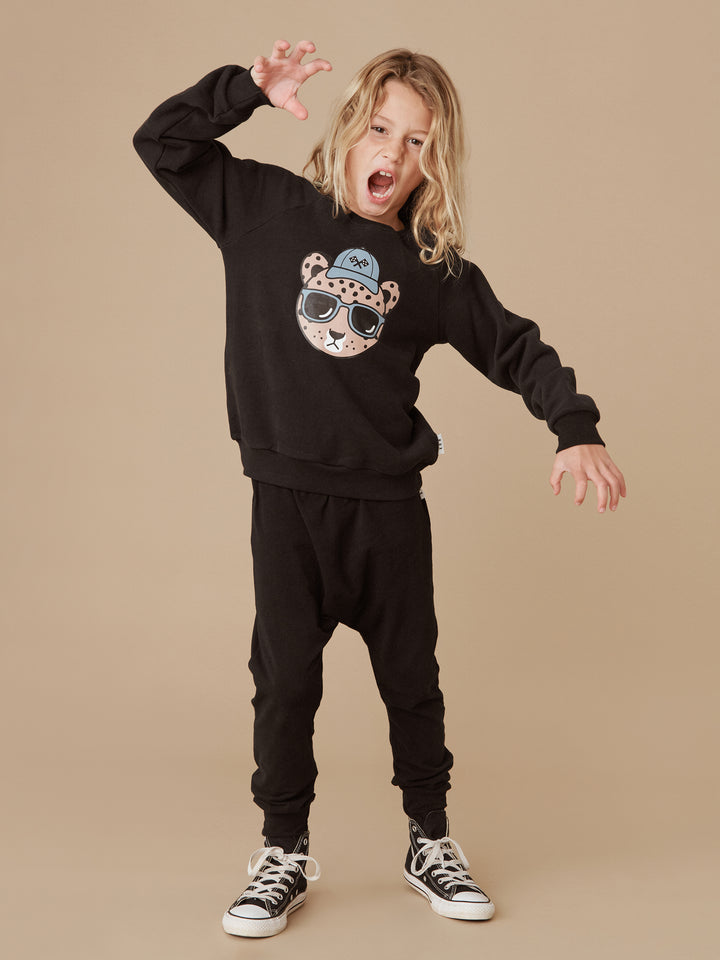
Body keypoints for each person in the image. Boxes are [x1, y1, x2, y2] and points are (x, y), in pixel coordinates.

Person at [132, 39, 626, 939]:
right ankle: (283, 851)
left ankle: (429, 840)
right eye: (382, 129)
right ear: (349, 130)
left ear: (435, 162)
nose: (394, 153)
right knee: (285, 685)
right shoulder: (265, 210)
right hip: (287, 506)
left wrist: (575, 426)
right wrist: (244, 91)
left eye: (419, 142)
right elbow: (161, 142)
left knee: (411, 683)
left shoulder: (432, 271)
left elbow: (516, 347)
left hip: (390, 514)